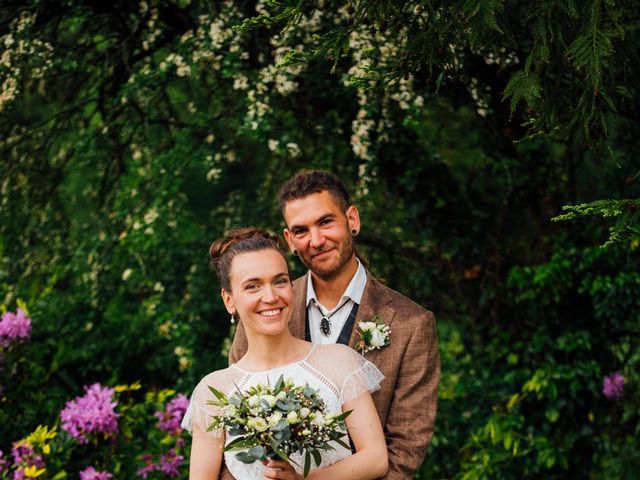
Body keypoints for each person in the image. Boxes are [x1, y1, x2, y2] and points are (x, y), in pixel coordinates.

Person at [228, 170, 440, 479]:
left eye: (326, 222)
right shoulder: (264, 312)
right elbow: (234, 435)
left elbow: (405, 451)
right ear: (289, 240)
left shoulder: (411, 325)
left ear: (352, 219)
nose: (316, 240)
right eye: (301, 230)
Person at [182, 228, 389, 480]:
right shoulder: (214, 390)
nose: (271, 297)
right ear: (229, 300)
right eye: (253, 286)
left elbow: (375, 459)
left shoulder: (339, 362)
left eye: (279, 281)